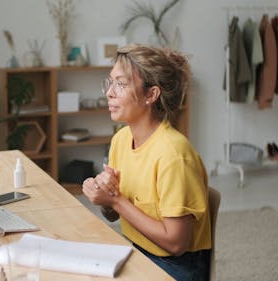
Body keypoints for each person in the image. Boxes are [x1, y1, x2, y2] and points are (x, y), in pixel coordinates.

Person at [82, 44, 211, 281]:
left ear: (151, 94)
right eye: (110, 83)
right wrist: (105, 198)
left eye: (121, 84)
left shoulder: (173, 154)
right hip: (137, 250)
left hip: (177, 267)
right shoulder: (121, 139)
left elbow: (175, 243)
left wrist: (116, 201)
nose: (110, 92)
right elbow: (113, 215)